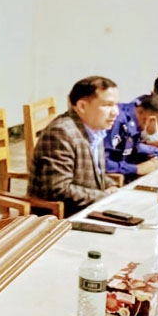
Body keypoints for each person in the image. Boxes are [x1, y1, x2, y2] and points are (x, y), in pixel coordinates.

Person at [28, 76, 122, 217]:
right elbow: (57, 189)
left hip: (89, 207)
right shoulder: (61, 132)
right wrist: (103, 196)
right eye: (107, 105)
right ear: (82, 106)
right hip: (61, 218)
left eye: (115, 105)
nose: (116, 112)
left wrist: (110, 185)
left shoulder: (96, 128)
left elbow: (93, 175)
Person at [104, 93, 158, 183]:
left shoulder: (137, 125)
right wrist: (137, 169)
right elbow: (100, 163)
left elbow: (135, 147)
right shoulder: (116, 121)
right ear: (150, 120)